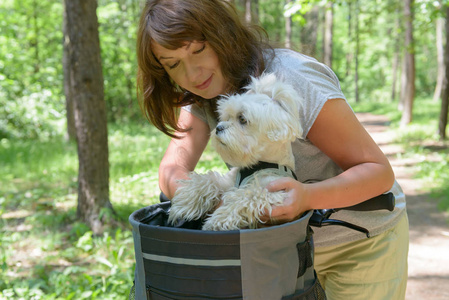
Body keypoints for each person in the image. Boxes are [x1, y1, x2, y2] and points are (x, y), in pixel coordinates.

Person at [136, 0, 409, 299]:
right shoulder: (200, 96)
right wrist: (212, 198)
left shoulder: (293, 79)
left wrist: (307, 197)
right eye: (173, 63)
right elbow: (171, 170)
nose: (191, 73)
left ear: (222, 33)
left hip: (359, 242)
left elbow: (378, 172)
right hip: (280, 253)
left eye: (198, 49)